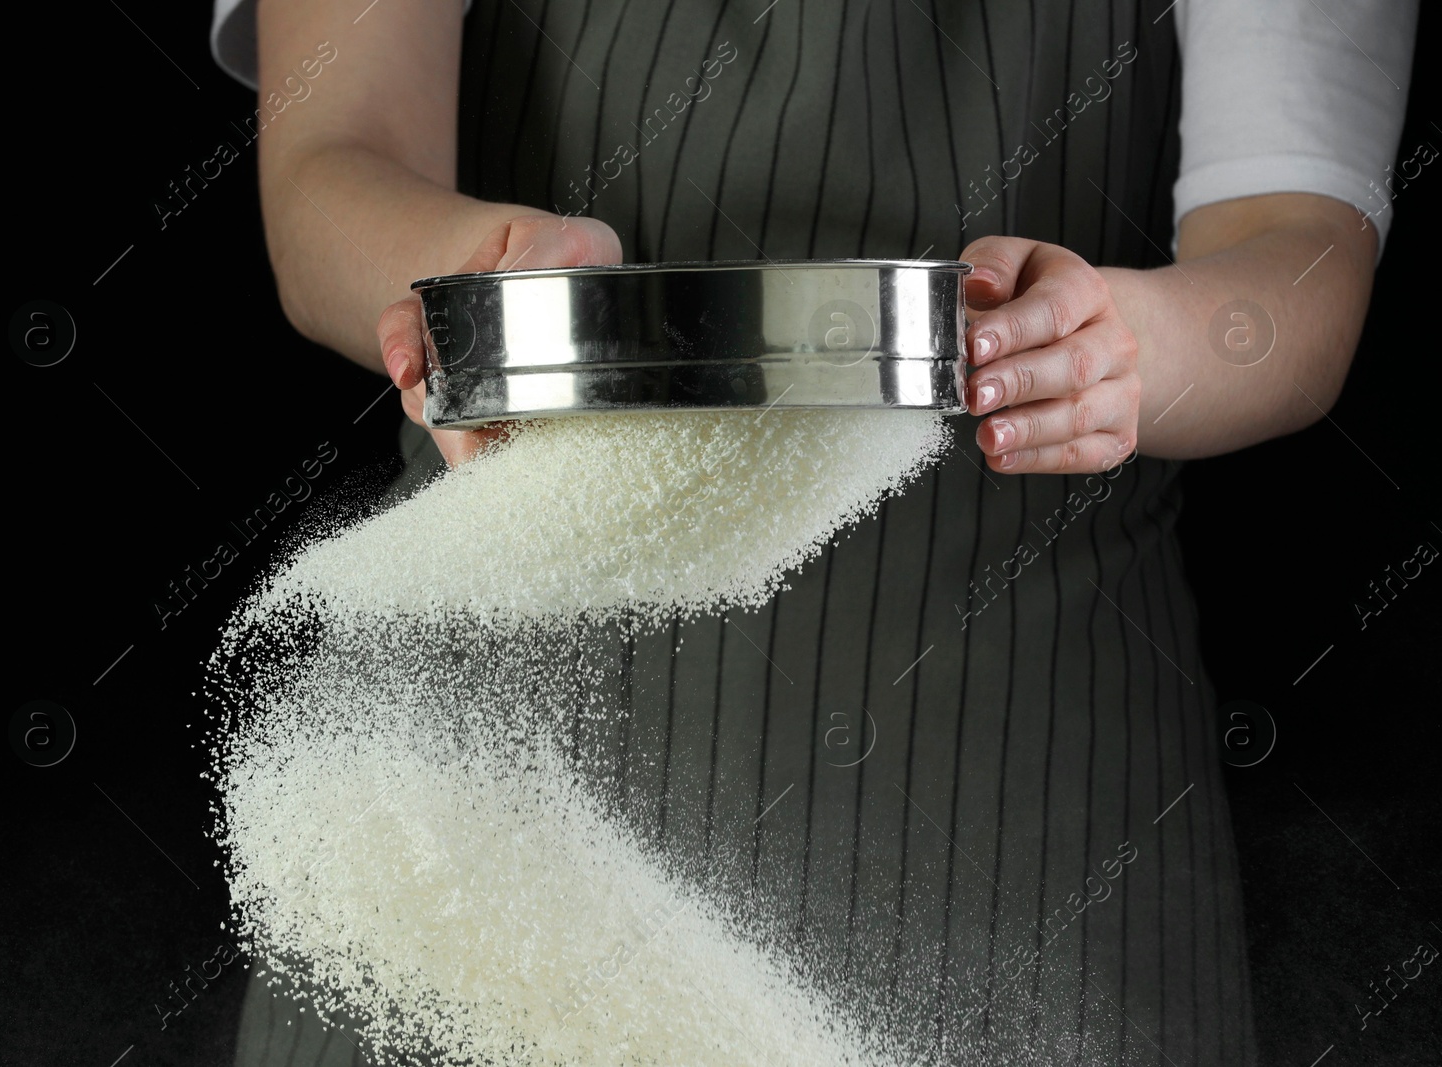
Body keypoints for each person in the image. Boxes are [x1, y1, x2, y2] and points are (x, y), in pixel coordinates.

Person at [209, 1, 1416, 1063]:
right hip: (464, 824)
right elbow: (331, 156)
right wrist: (480, 282)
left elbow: (1294, 258)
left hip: (1020, 790)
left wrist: (1120, 347)